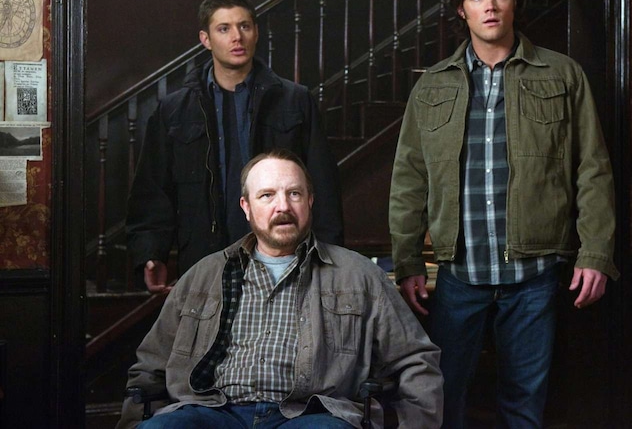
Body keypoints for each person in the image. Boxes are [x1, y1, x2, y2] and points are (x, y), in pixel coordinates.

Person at [389, 0, 620, 428]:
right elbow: (409, 179)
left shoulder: (562, 75)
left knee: (524, 403)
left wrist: (596, 253)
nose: (490, 6)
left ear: (515, 1)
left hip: (534, 274)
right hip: (459, 274)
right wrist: (407, 260)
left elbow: (593, 170)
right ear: (463, 9)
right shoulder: (431, 87)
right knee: (442, 397)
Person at [117, 149, 443, 429]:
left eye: (294, 194)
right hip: (212, 411)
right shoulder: (203, 275)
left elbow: (415, 359)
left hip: (311, 415)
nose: (283, 206)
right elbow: (149, 366)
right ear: (246, 206)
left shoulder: (359, 275)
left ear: (310, 201)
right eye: (267, 195)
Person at [127, 0, 344, 294]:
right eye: (224, 28)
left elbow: (322, 184)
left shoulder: (294, 101)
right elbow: (153, 190)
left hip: (283, 256)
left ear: (256, 32)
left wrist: (330, 258)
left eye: (244, 26)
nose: (236, 37)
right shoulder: (175, 110)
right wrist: (151, 253)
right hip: (205, 258)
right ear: (206, 39)